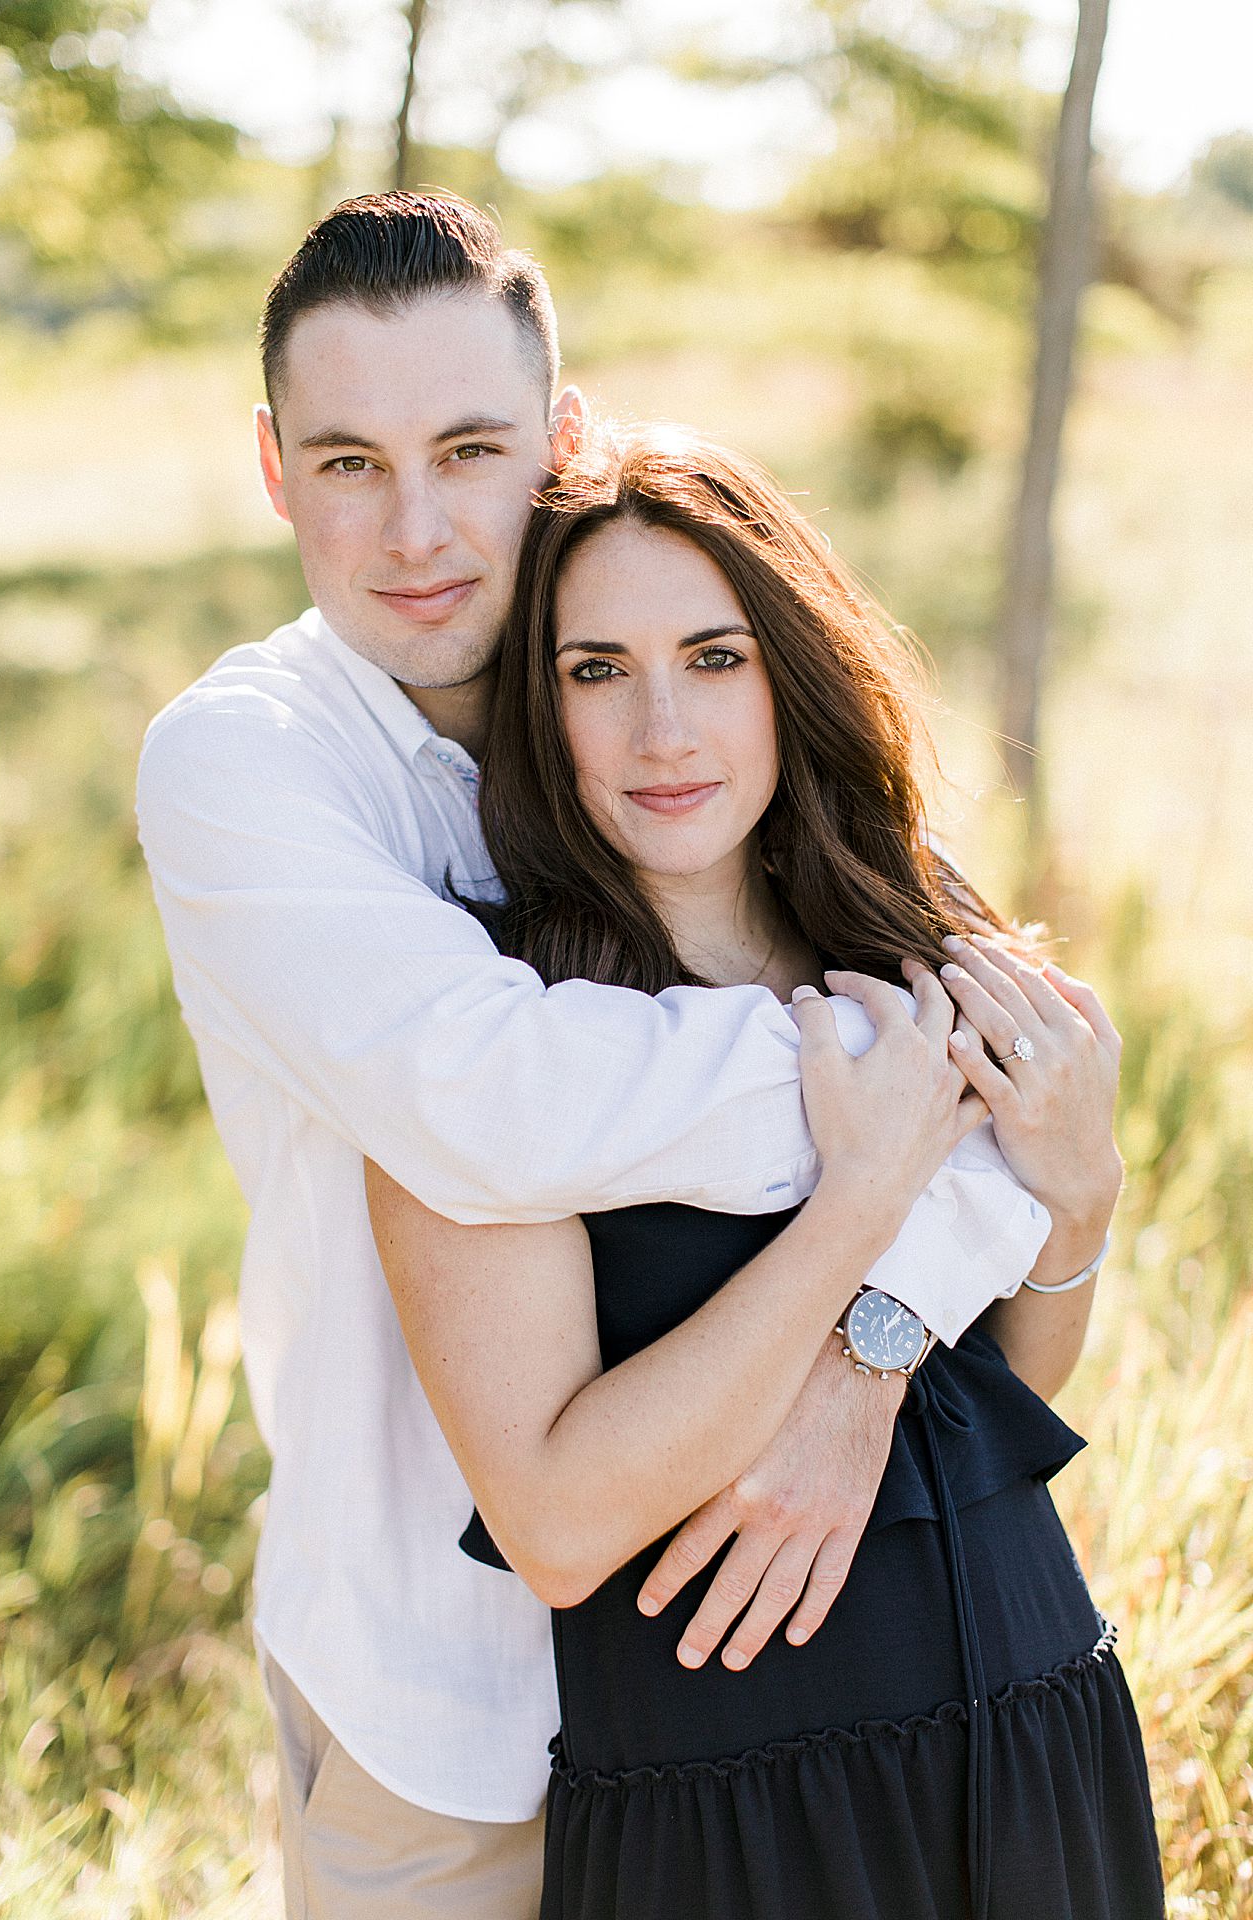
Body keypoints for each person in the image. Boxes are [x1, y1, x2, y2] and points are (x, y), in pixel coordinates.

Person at [137, 192, 1110, 1920]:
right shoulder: (251, 764)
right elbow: (493, 1105)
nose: (418, 527)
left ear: (558, 443)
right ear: (275, 470)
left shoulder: (655, 699)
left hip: (823, 1713)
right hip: (446, 1712)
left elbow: (1033, 1077)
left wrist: (879, 1342)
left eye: (469, 447)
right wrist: (892, 1109)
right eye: (350, 462)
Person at [364, 427, 1163, 1920]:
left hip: (1043, 1735)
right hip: (742, 1826)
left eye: (713, 657)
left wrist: (1078, 1202)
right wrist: (858, 1212)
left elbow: (1013, 1402)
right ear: (541, 711)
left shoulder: (915, 949)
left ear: (789, 672)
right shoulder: (492, 1040)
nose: (662, 727)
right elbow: (555, 1522)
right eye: (595, 670)